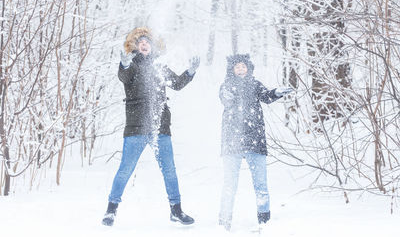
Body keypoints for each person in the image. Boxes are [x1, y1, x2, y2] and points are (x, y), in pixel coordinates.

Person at [102, 27, 200, 227]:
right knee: (125, 170)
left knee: (169, 171)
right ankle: (111, 211)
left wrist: (190, 72)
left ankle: (176, 211)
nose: (144, 44)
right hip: (136, 128)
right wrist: (124, 63)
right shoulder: (132, 66)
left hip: (160, 127)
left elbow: (178, 83)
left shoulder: (159, 66)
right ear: (136, 47)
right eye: (140, 42)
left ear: (152, 46)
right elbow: (124, 77)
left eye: (147, 42)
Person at [218, 54, 293, 231]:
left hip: (255, 140)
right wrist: (226, 95)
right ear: (232, 69)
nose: (241, 69)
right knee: (229, 185)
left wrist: (276, 93)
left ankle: (264, 220)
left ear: (249, 68)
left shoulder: (255, 84)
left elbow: (266, 96)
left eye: (244, 66)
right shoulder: (226, 86)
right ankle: (223, 222)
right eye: (237, 67)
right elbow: (224, 98)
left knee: (261, 185)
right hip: (231, 142)